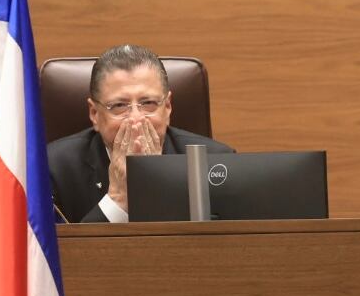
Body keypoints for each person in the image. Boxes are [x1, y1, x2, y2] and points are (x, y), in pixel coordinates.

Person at [46, 44, 233, 223]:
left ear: (167, 107)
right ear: (94, 114)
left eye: (148, 103)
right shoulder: (53, 168)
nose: (136, 119)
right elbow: (65, 255)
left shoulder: (215, 162)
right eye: (119, 106)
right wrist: (118, 199)